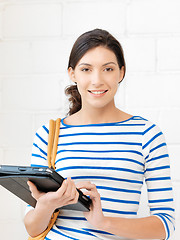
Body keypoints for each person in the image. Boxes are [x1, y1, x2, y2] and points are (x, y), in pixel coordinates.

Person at [24, 29, 175, 240]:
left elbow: (165, 225)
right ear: (72, 73)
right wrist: (48, 204)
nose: (97, 80)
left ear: (121, 73)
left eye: (108, 69)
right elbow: (32, 227)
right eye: (86, 69)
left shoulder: (146, 134)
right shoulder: (49, 135)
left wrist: (103, 223)